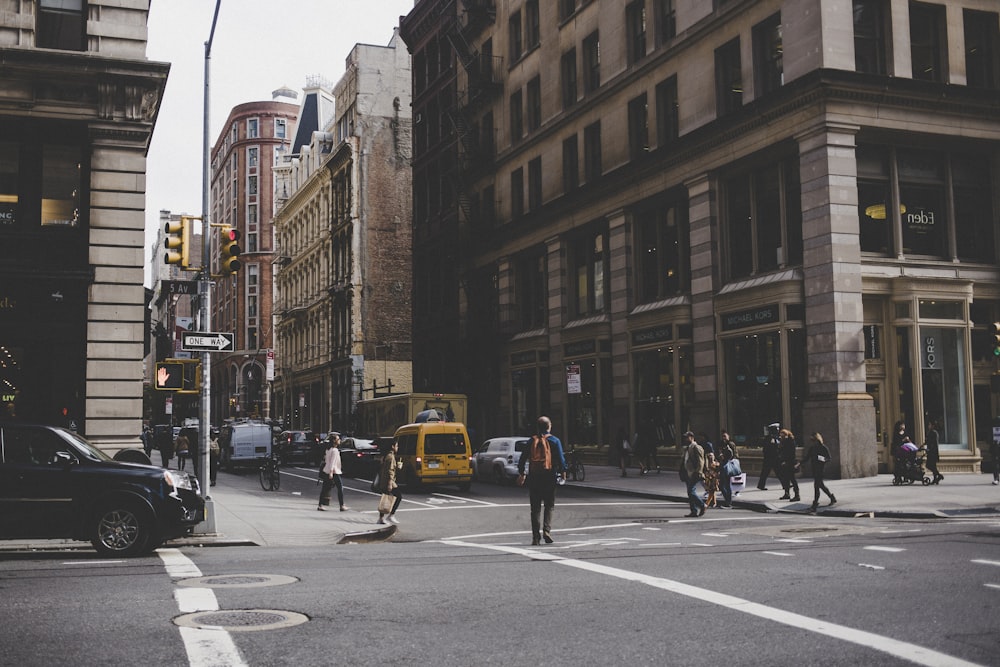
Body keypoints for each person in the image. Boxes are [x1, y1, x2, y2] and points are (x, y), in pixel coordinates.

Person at [517, 415, 567, 545]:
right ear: (549, 426)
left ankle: (535, 537)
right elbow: (561, 459)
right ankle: (546, 530)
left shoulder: (531, 441)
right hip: (549, 475)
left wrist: (522, 473)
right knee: (549, 505)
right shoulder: (555, 441)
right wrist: (563, 472)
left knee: (535, 508)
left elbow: (522, 459)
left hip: (534, 477)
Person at [802, 432, 836, 512]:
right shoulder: (812, 448)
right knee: (821, 485)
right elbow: (807, 457)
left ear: (817, 440)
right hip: (814, 469)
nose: (812, 442)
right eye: (812, 441)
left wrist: (819, 458)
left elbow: (828, 458)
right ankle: (832, 497)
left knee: (816, 486)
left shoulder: (823, 447)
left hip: (820, 469)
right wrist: (800, 463)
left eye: (814, 440)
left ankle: (815, 504)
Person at [318, 433, 348, 511]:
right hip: (334, 472)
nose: (339, 441)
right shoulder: (334, 450)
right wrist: (331, 472)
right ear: (334, 441)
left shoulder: (328, 449)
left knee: (325, 488)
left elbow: (326, 460)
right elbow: (332, 462)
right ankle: (342, 505)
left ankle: (320, 505)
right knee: (340, 488)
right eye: (338, 439)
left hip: (327, 470)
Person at [377, 440, 403, 525]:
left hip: (383, 480)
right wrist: (390, 483)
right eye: (396, 446)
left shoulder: (385, 456)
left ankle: (381, 518)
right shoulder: (391, 457)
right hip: (389, 481)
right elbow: (390, 471)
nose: (397, 448)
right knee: (398, 496)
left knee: (385, 499)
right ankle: (391, 515)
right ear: (392, 446)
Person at [682, 431, 706, 517]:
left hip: (695, 473)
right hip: (688, 472)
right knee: (690, 492)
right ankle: (694, 511)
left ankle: (702, 505)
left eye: (687, 437)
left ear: (692, 437)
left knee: (691, 491)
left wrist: (698, 472)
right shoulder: (687, 448)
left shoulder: (696, 447)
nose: (685, 439)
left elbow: (701, 461)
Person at [777, 428, 801, 501]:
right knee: (786, 479)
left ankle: (797, 495)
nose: (782, 437)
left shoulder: (790, 442)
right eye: (781, 435)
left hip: (790, 463)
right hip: (784, 463)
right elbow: (780, 451)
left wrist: (786, 461)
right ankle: (787, 494)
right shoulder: (783, 442)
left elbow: (791, 454)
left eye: (783, 435)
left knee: (792, 479)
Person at [716, 429, 738, 508]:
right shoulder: (721, 444)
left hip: (728, 466)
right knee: (722, 485)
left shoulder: (731, 444)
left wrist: (726, 457)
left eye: (725, 436)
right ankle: (728, 501)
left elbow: (734, 455)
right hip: (723, 466)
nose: (723, 438)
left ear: (728, 436)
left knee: (726, 485)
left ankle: (728, 502)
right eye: (722, 436)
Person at [757, 423, 780, 491]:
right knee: (765, 473)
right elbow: (766, 449)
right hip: (769, 459)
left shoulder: (776, 437)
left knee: (779, 472)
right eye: (776, 429)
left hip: (775, 458)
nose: (778, 430)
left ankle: (785, 484)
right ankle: (761, 485)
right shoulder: (768, 438)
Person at [923, 419, 943, 484]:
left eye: (929, 425)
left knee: (929, 465)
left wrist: (930, 449)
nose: (928, 426)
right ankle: (936, 478)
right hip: (930, 451)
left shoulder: (934, 433)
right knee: (932, 466)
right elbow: (927, 441)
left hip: (933, 452)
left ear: (933, 426)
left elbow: (934, 443)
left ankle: (938, 476)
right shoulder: (930, 432)